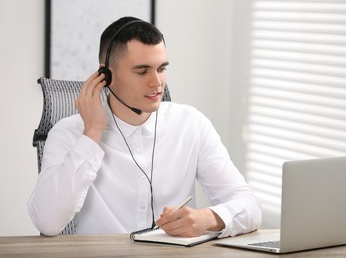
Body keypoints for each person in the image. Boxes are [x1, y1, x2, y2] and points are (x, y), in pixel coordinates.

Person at [28, 16, 262, 237]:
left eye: (161, 69)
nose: (157, 82)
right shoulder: (68, 133)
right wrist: (91, 134)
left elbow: (249, 205)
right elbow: (47, 222)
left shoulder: (191, 124)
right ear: (106, 75)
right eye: (142, 71)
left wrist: (209, 218)